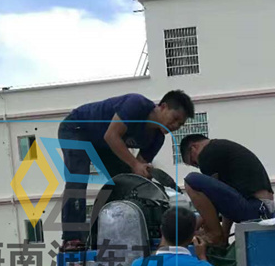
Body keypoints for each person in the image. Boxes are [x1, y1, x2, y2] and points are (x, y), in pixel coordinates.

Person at [60, 90, 194, 246]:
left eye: (180, 124)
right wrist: (136, 164)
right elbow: (111, 136)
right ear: (163, 107)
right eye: (175, 118)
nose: (175, 126)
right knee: (78, 178)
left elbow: (135, 174)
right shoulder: (137, 104)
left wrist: (143, 171)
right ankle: (72, 237)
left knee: (125, 183)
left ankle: (122, 229)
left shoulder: (157, 139)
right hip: (78, 129)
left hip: (103, 145)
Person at [180, 135, 275, 246]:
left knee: (191, 180)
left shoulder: (207, 152)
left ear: (193, 148)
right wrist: (224, 235)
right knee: (216, 231)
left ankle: (214, 234)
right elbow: (224, 201)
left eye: (194, 163)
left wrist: (196, 228)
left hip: (256, 207)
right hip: (262, 210)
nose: (198, 166)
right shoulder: (222, 151)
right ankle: (217, 235)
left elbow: (211, 202)